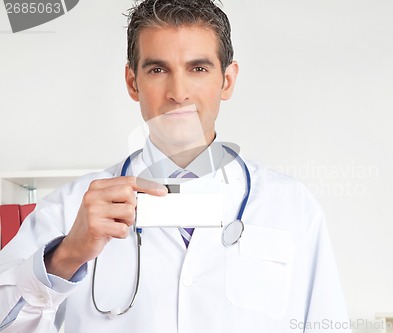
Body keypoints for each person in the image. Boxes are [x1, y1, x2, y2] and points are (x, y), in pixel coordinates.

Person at [0, 0, 350, 332]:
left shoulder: (291, 206)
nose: (178, 92)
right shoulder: (70, 206)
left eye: (198, 68)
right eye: (157, 69)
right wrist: (65, 257)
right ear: (132, 82)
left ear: (227, 80)